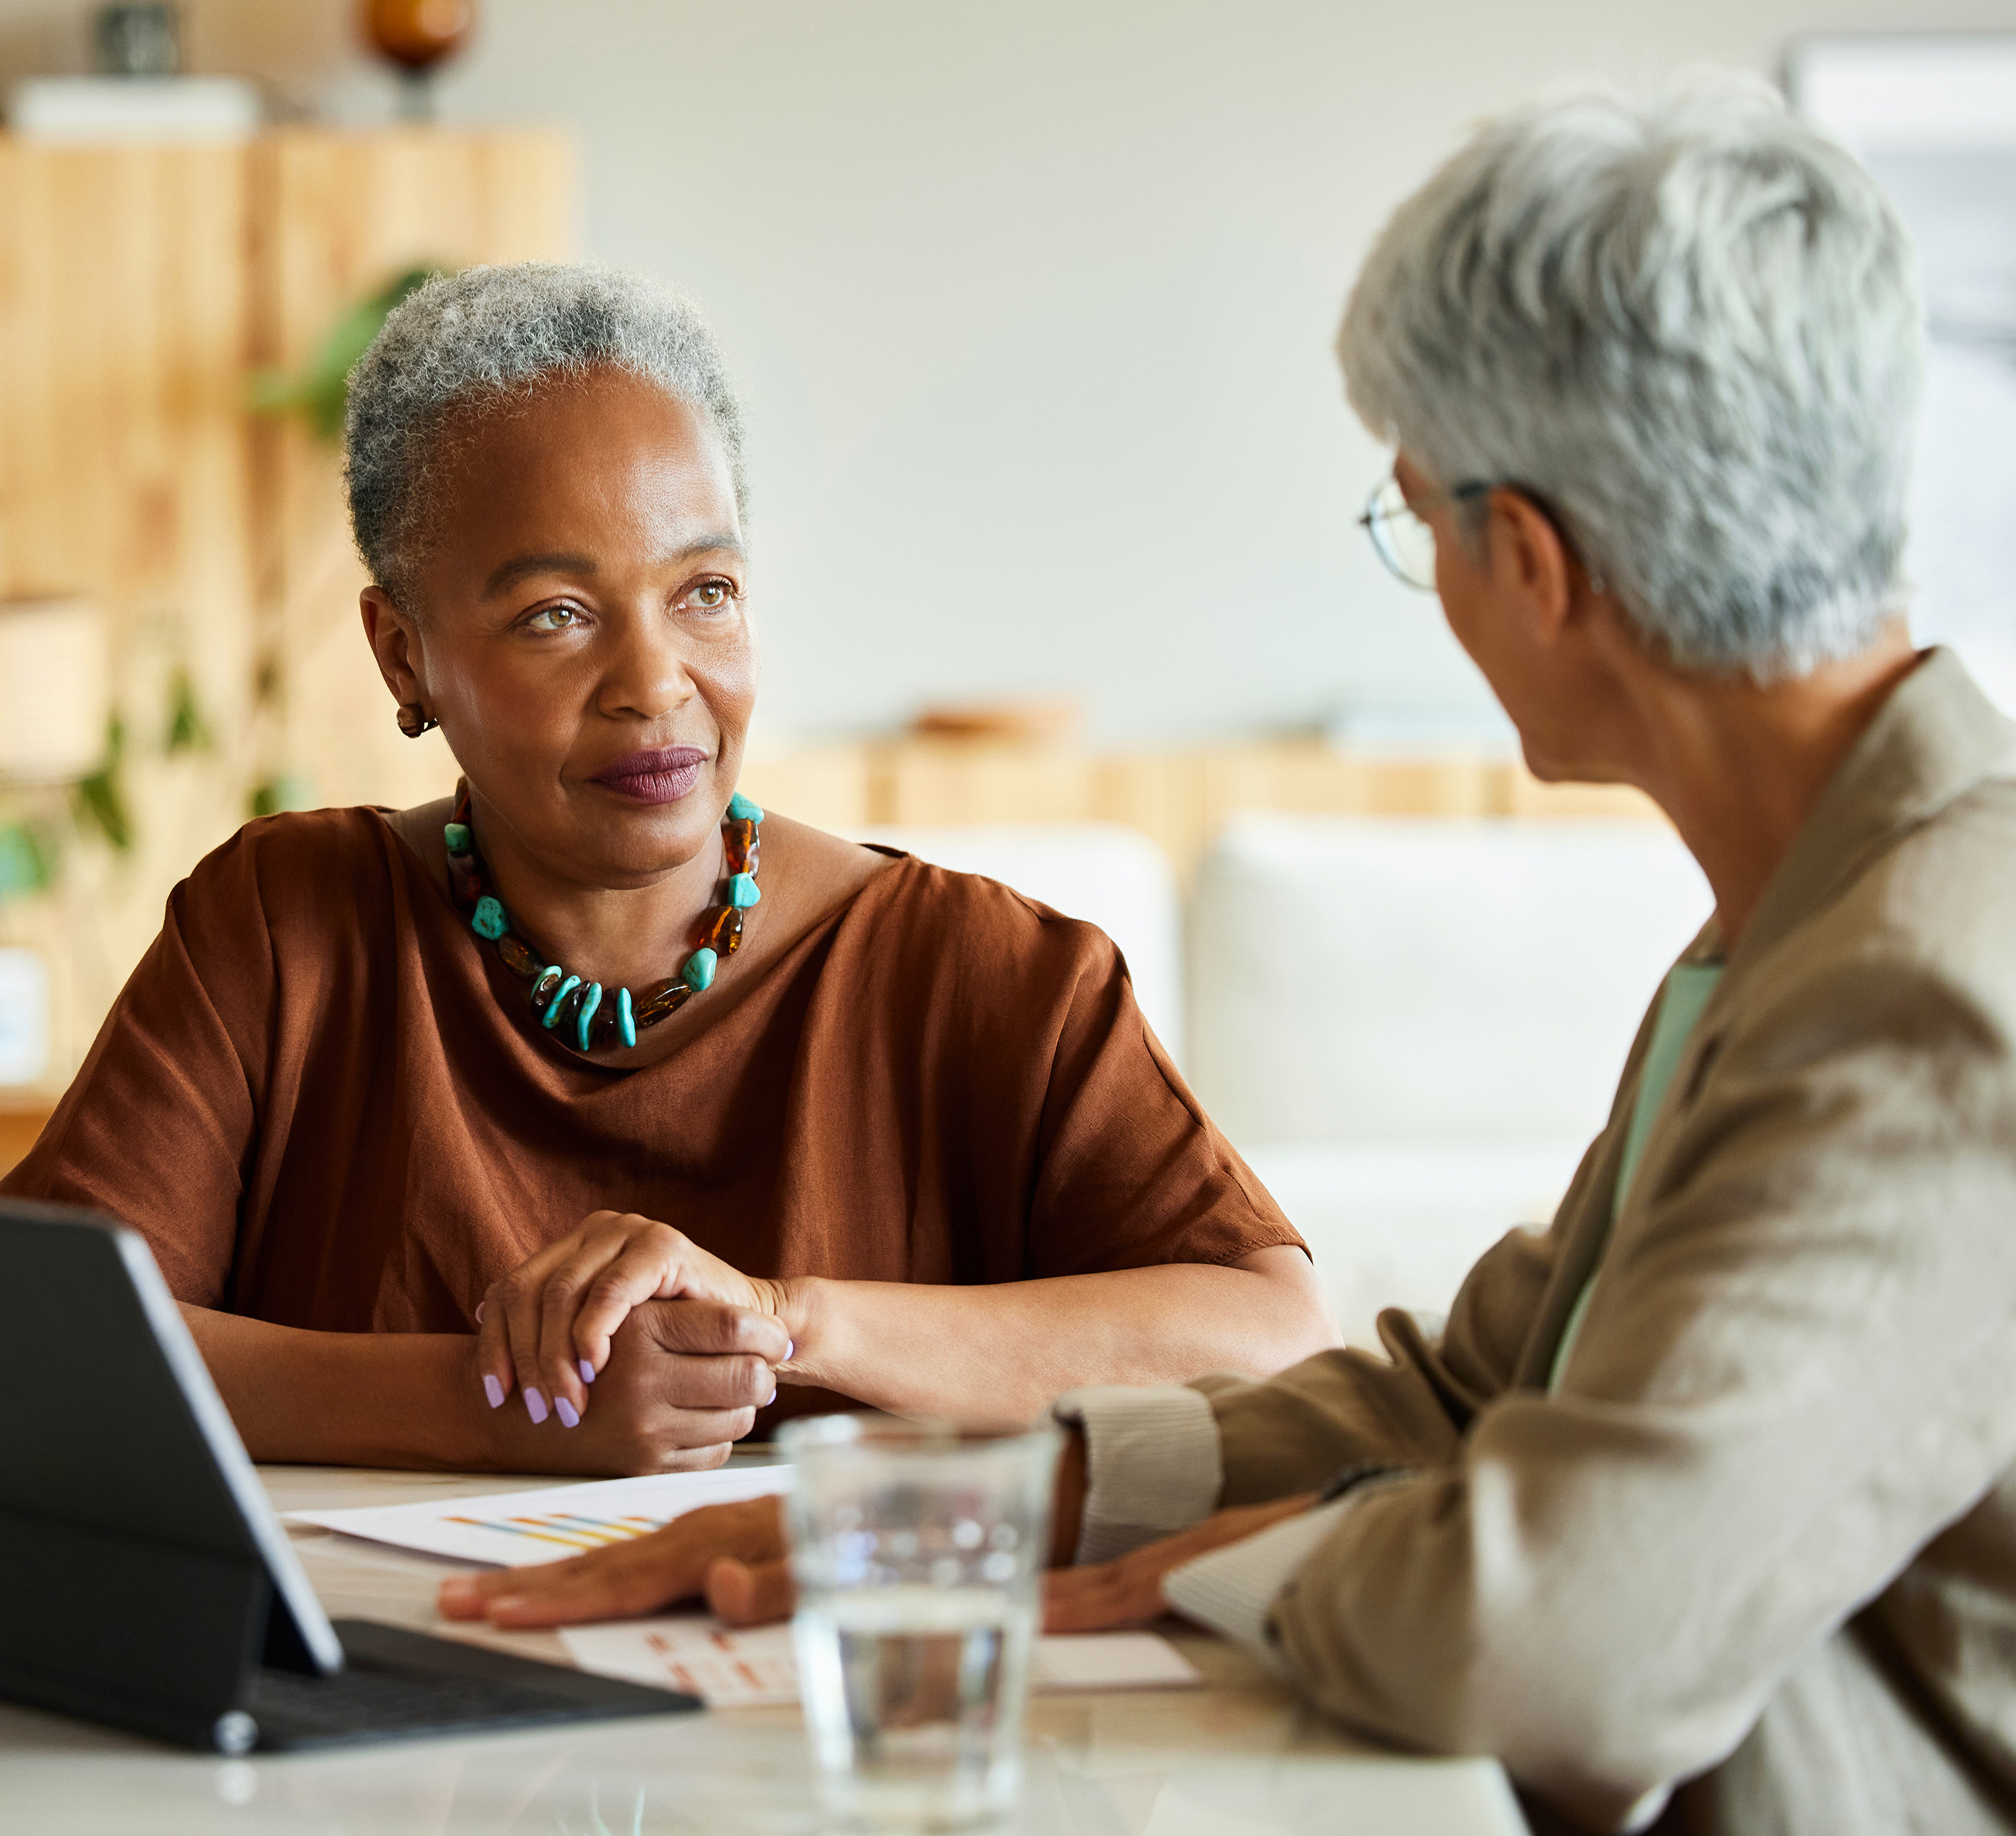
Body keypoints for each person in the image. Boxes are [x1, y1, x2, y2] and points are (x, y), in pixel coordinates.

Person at [436, 80, 2016, 1836]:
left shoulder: (1937, 985)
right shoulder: (1815, 910)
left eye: (1415, 520)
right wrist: (999, 1502)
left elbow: (1564, 1641)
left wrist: (1256, 1563)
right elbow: (1472, 1391)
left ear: (1539, 565)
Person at [1, 264, 1336, 1476]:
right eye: (555, 616)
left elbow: (1269, 1332)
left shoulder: (986, 972)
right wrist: (497, 1402)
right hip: (367, 1698)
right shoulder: (285, 927)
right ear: (403, 656)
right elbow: (37, 1340)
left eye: (705, 591)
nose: (655, 685)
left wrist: (779, 1320)